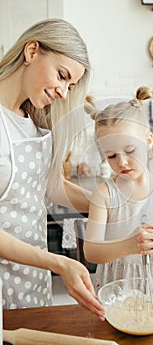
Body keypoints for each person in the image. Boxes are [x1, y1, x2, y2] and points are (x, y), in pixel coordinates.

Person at [0, 18, 105, 320]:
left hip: (31, 279)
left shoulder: (32, 119)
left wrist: (113, 205)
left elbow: (52, 186)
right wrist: (58, 262)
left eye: (70, 85)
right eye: (61, 75)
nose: (63, 91)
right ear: (32, 51)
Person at [83, 87, 153, 295]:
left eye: (129, 150)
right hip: (117, 290)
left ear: (149, 140)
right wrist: (129, 245)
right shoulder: (104, 194)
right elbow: (91, 251)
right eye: (111, 155)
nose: (122, 162)